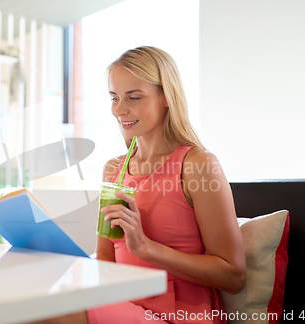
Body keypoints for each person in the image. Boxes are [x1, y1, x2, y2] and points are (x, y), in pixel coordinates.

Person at [32, 46, 246, 324]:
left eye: (133, 97)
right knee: (27, 305)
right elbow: (106, 262)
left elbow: (234, 275)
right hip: (124, 302)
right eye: (114, 97)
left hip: (179, 312)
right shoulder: (114, 170)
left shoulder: (198, 165)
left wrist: (147, 248)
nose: (119, 109)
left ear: (166, 97)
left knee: (49, 313)